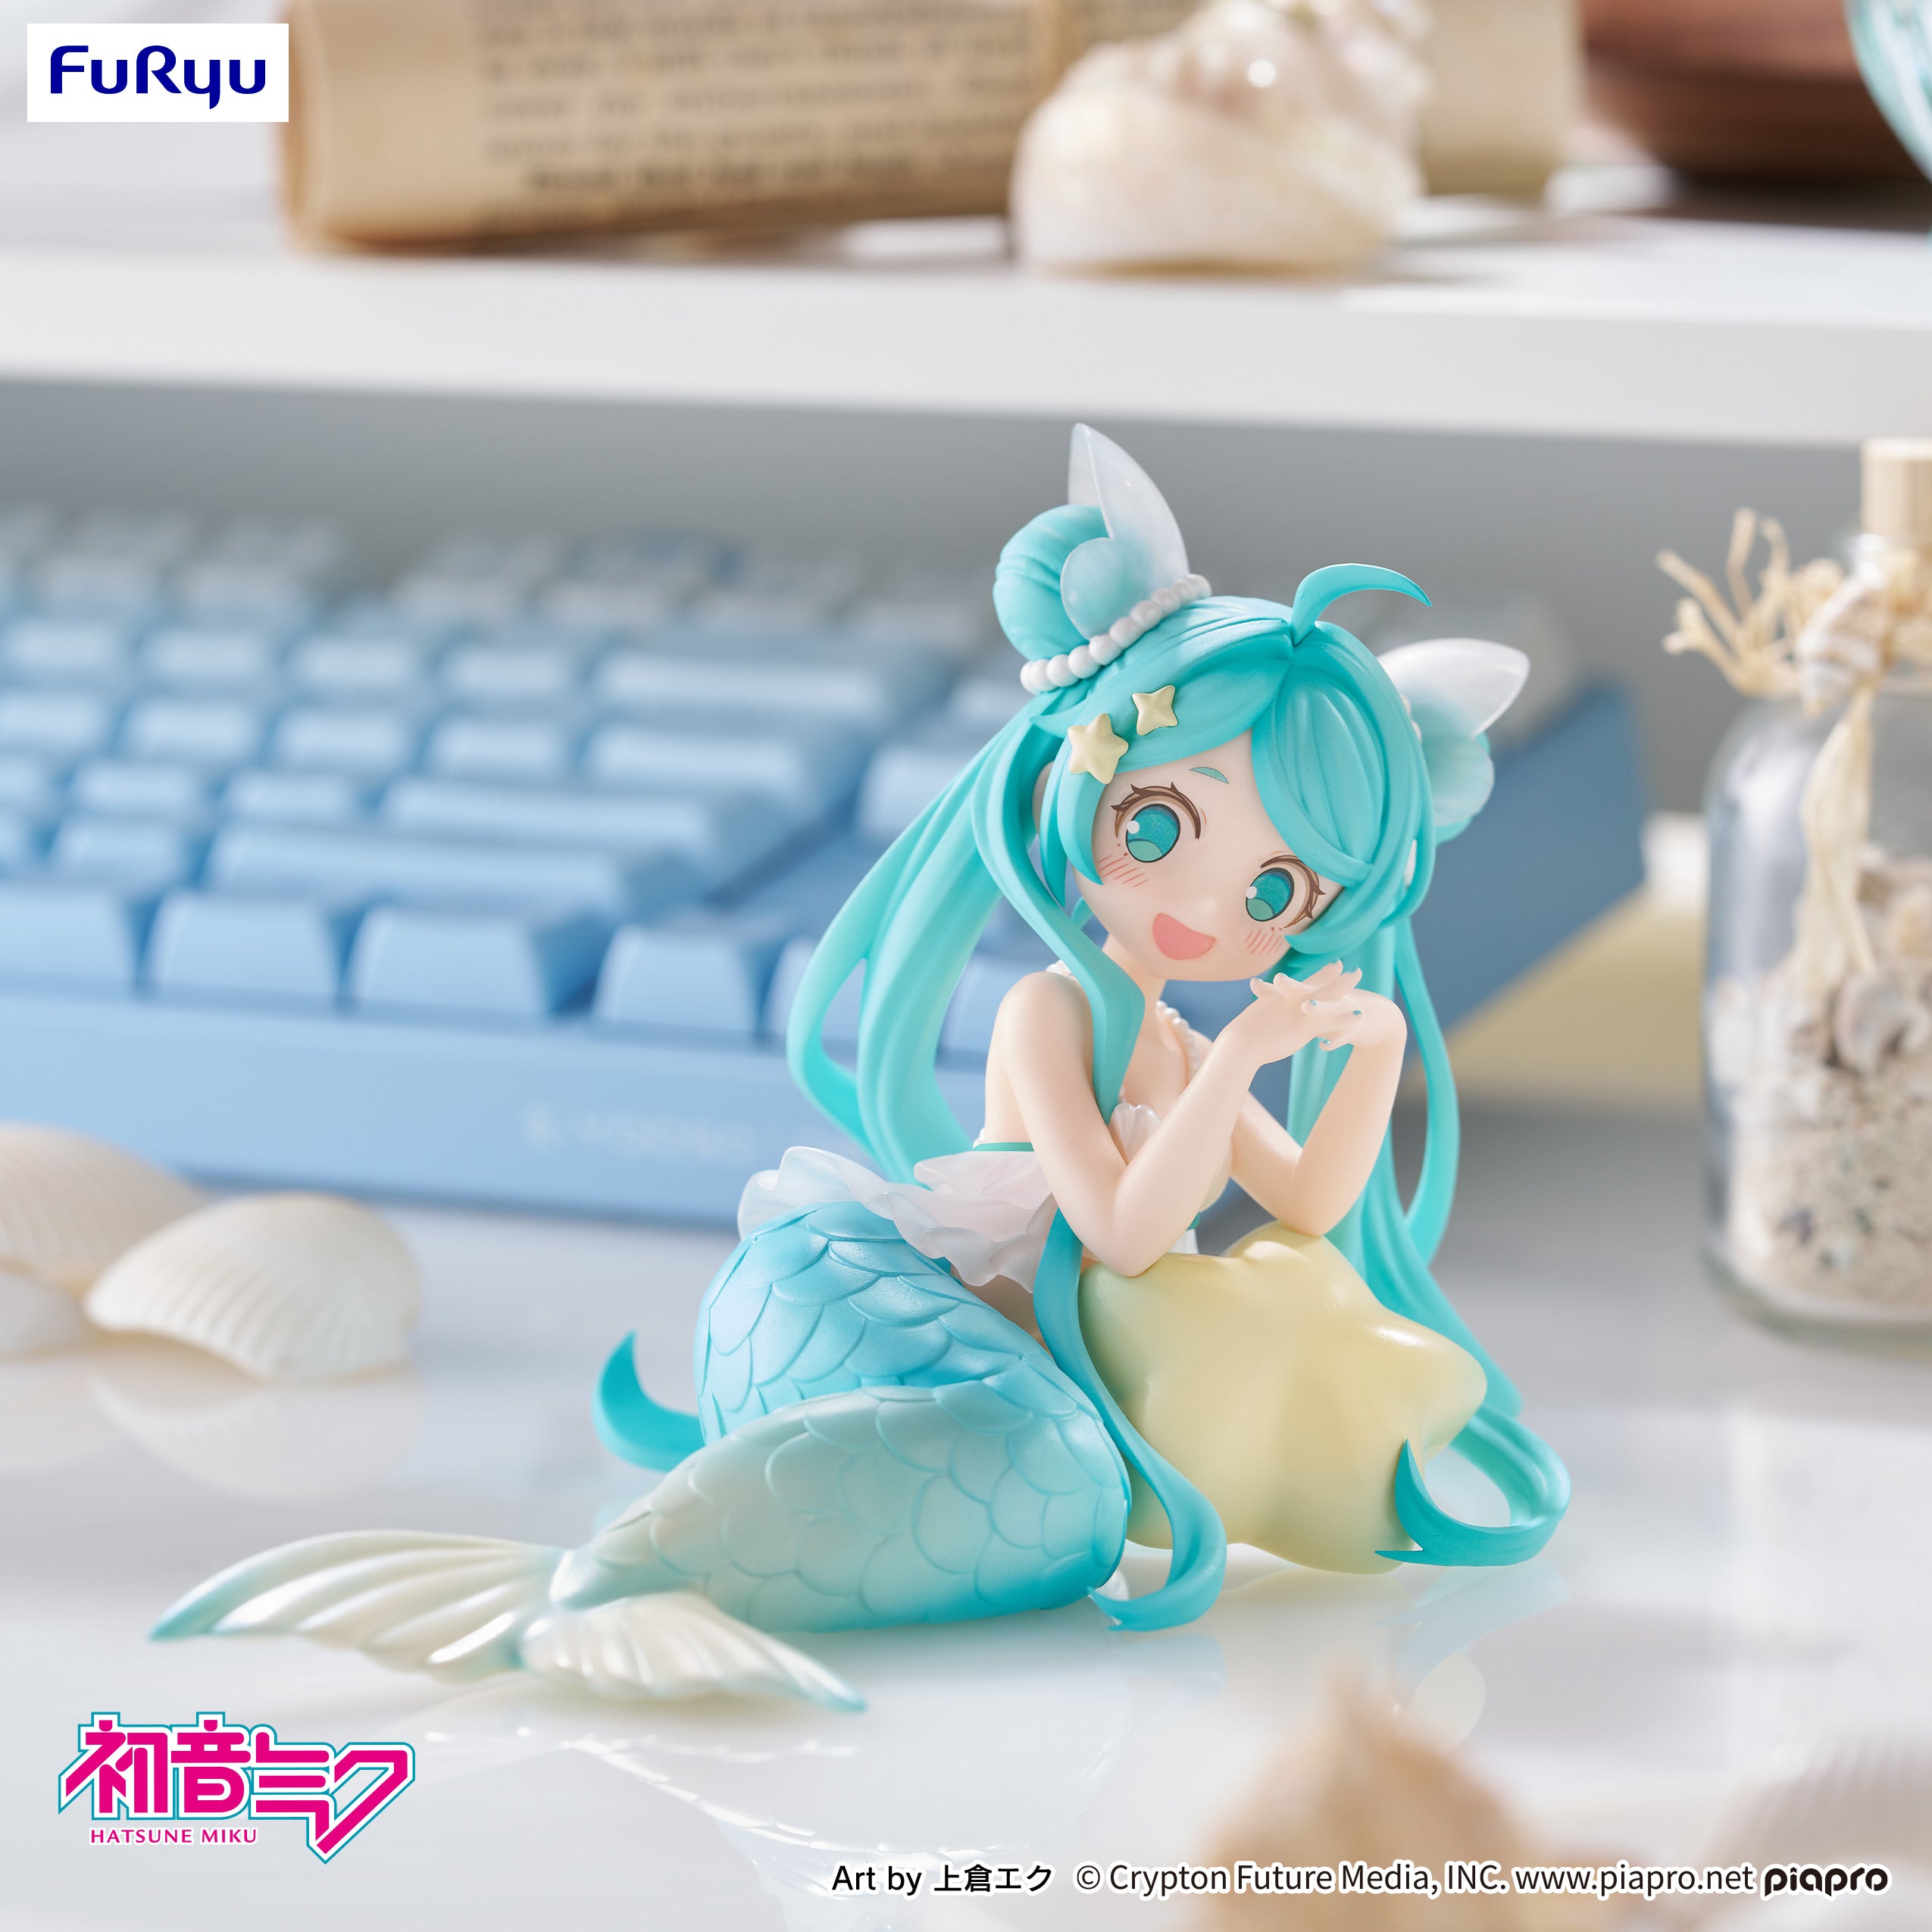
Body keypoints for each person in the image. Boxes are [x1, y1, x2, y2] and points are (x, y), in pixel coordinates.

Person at [155, 428, 1567, 1705]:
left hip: (991, 1366)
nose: (1205, 906)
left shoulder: (1187, 1044)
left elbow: (1311, 1203)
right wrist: (1244, 1053)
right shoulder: (1050, 1015)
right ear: (1082, 789)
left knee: (1072, 1478)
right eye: (1158, 826)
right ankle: (604, 1587)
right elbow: (1125, 1229)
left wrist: (1372, 1051)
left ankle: (663, 1568)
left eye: (1272, 892)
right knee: (1059, 1493)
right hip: (856, 1296)